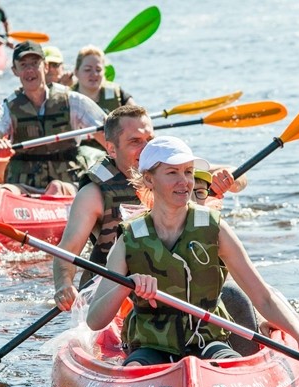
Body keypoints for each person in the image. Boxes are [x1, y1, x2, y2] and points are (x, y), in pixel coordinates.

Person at [86, 136, 299, 368]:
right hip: (151, 345)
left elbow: (263, 297)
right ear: (149, 180)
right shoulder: (129, 238)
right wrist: (127, 284)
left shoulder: (215, 229)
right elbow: (95, 320)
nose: (184, 182)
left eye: (188, 172)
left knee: (230, 366)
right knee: (136, 366)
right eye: (172, 173)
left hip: (209, 341)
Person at [53, 105, 243, 312]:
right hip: (119, 289)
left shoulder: (173, 169)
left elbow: (238, 176)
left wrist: (227, 180)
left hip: (175, 281)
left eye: (150, 140)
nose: (146, 149)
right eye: (135, 141)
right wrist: (64, 284)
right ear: (112, 149)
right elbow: (68, 249)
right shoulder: (93, 194)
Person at [0, 41, 108, 190]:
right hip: (25, 186)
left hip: (68, 184)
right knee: (2, 192)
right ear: (15, 70)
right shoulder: (8, 108)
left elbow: (109, 136)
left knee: (56, 188)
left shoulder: (73, 101)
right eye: (23, 65)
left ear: (46, 67)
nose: (30, 70)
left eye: (35, 63)